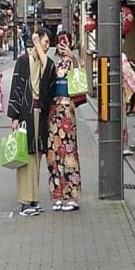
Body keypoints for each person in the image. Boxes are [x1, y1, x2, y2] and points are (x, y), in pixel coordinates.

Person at [7, 27, 55, 216]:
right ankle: (25, 201)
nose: (47, 46)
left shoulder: (43, 63)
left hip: (40, 113)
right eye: (45, 42)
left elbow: (51, 69)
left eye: (48, 43)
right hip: (26, 112)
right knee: (25, 157)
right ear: (37, 40)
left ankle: (34, 199)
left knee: (37, 155)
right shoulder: (23, 61)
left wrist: (40, 48)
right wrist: (15, 117)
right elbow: (16, 87)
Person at [46, 31, 81, 211]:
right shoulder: (52, 63)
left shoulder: (74, 62)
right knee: (53, 151)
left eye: (65, 43)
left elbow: (80, 81)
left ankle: (72, 196)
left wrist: (72, 57)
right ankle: (57, 194)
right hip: (53, 109)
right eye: (60, 43)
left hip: (67, 108)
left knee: (68, 150)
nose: (62, 46)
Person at [121, 52, 135, 156]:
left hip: (106, 91)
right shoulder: (121, 56)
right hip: (119, 92)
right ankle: (123, 145)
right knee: (121, 119)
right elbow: (128, 73)